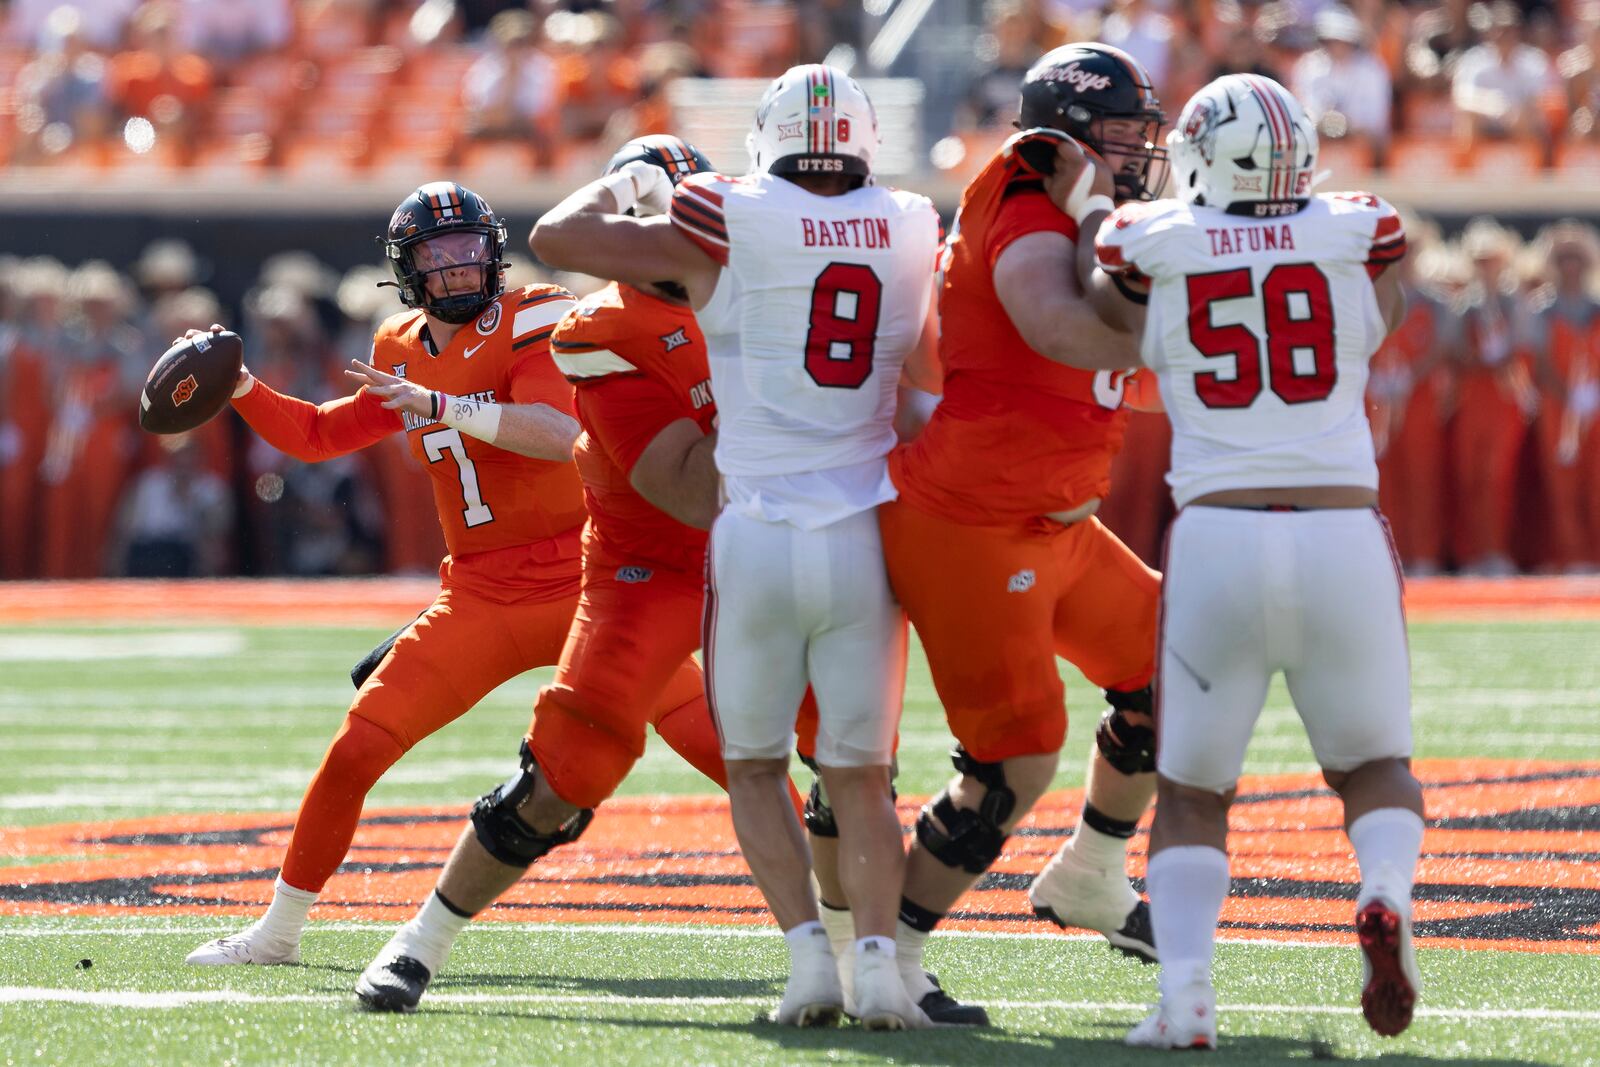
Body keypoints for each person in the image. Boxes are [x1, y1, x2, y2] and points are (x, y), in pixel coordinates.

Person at [185, 181, 720, 967]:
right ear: (408, 269)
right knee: (356, 748)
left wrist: (442, 405)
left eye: (471, 248)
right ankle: (277, 932)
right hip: (479, 592)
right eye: (439, 256)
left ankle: (838, 922)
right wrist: (240, 389)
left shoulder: (536, 314)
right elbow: (320, 434)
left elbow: (555, 428)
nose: (461, 267)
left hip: (588, 582)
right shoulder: (401, 345)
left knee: (729, 746)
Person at [515, 66, 942, 1029]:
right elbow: (932, 365)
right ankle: (878, 965)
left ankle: (806, 966)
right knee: (861, 773)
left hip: (752, 529)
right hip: (864, 530)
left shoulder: (728, 213)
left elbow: (553, 238)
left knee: (755, 764)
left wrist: (631, 187)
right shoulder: (913, 220)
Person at [353, 138, 798, 1013]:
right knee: (559, 776)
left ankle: (879, 954)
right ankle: (423, 937)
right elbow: (680, 483)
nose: (688, 238)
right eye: (663, 220)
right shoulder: (595, 327)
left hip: (781, 545)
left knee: (851, 761)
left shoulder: (777, 295)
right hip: (654, 565)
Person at [1077, 73, 1422, 1048]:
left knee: (1192, 789)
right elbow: (1377, 311)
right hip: (1341, 529)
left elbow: (1101, 313)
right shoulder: (1355, 227)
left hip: (1219, 532)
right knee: (1375, 767)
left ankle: (1186, 998)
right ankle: (1382, 889)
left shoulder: (1154, 236)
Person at [876, 43, 1168, 1018]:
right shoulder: (1023, 199)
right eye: (1120, 134)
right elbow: (1061, 327)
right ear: (1066, 136)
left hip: (1057, 520)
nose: (1135, 152)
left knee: (1173, 670)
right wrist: (1107, 231)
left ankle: (1091, 869)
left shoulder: (1082, 210)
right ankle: (894, 957)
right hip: (975, 526)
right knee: (1015, 754)